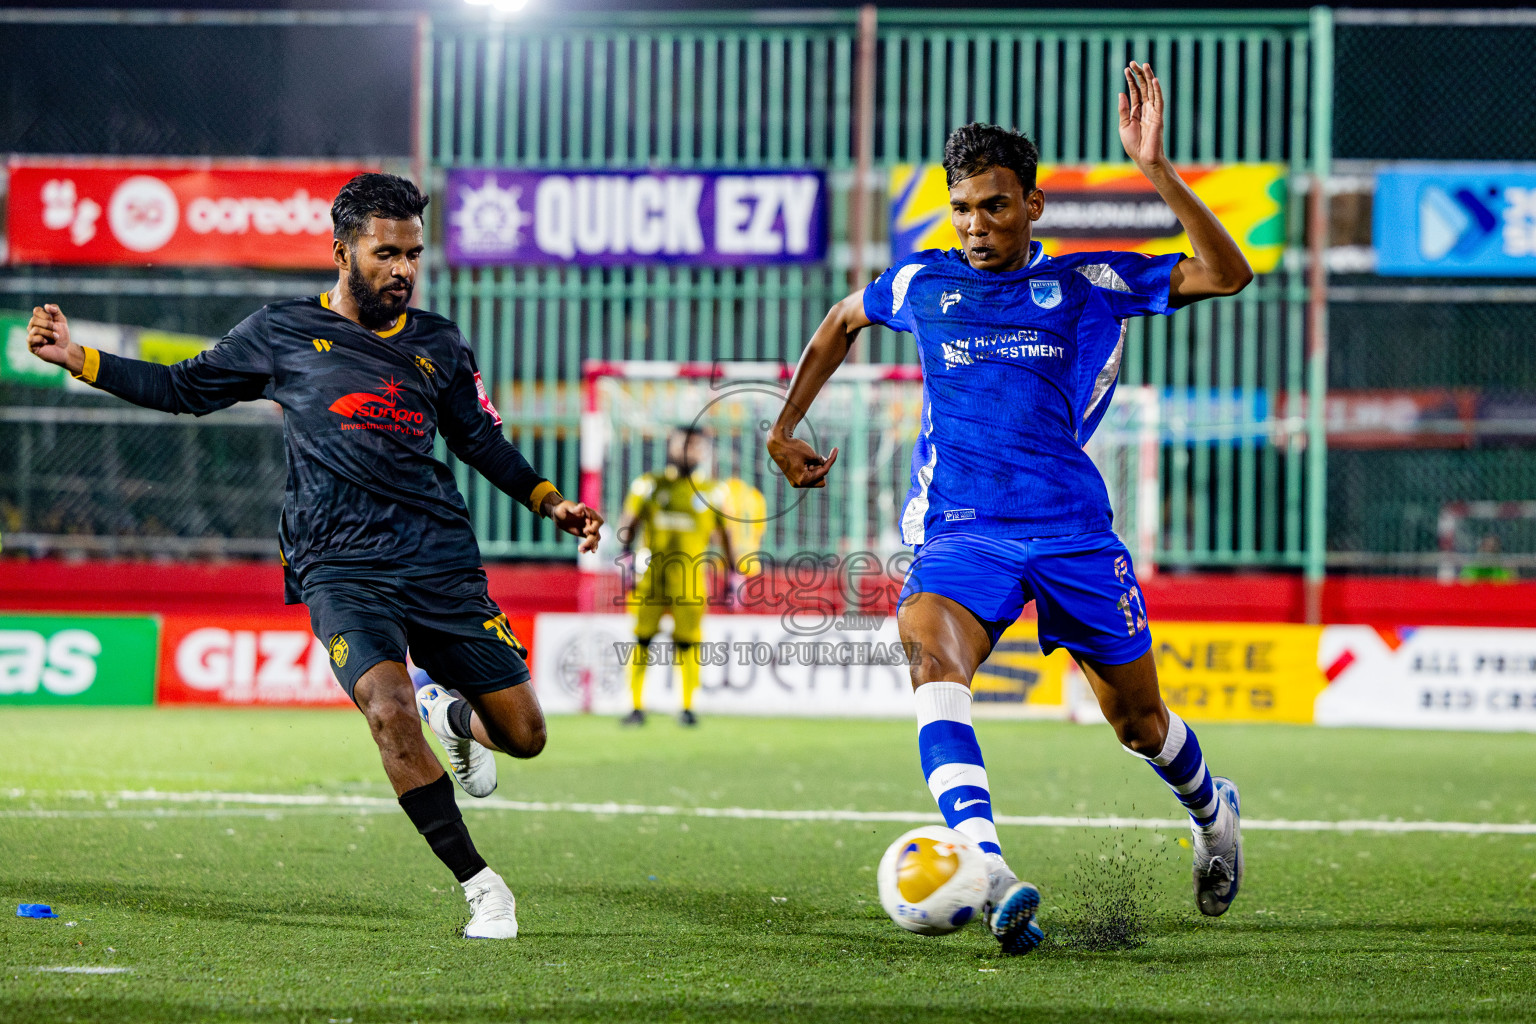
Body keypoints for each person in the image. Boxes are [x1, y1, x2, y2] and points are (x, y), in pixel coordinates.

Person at [27, 172, 604, 941]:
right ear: (342, 250)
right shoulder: (281, 332)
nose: (402, 269)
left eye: (414, 255)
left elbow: (479, 440)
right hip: (337, 563)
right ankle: (482, 886)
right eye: (386, 253)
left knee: (526, 735)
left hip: (436, 557)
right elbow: (182, 388)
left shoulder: (437, 343)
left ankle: (453, 712)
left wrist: (548, 500)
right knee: (387, 710)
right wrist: (80, 358)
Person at [767, 63, 1254, 955]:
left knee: (1139, 724)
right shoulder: (923, 286)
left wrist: (1156, 171)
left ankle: (1212, 808)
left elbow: (1228, 273)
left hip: (1072, 533)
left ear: (1032, 204)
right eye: (961, 207)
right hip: (965, 533)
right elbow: (841, 319)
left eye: (994, 206)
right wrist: (787, 423)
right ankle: (985, 864)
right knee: (925, 646)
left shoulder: (1089, 283)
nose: (975, 225)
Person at [614, 426, 736, 726]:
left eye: (696, 447)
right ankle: (636, 705)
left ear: (705, 452)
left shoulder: (714, 492)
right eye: (684, 445)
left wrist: (734, 577)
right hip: (650, 577)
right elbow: (628, 524)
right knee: (642, 638)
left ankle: (688, 707)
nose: (688, 452)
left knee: (688, 642)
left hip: (691, 579)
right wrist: (625, 558)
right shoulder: (648, 485)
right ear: (671, 446)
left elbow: (727, 536)